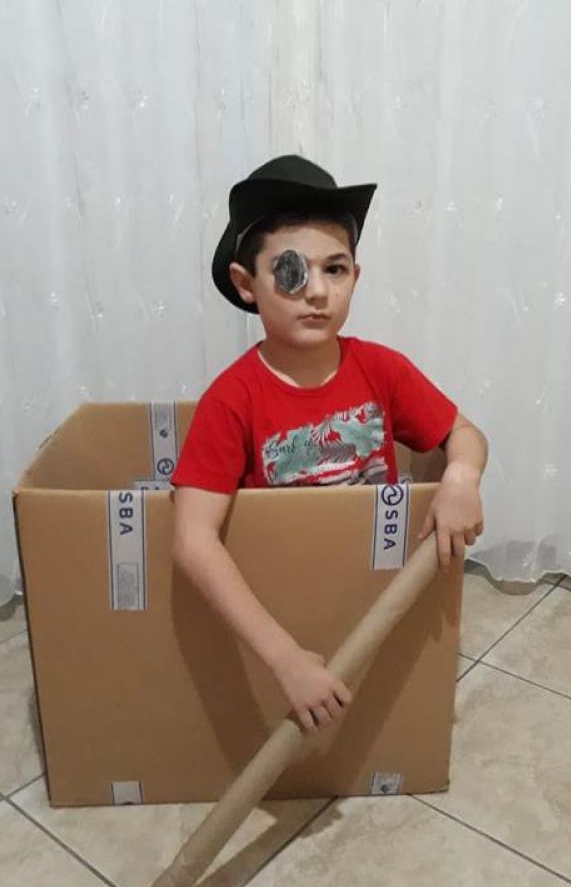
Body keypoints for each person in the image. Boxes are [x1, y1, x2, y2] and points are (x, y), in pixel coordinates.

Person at [171, 155, 488, 733]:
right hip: (283, 602)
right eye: (291, 271)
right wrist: (284, 659)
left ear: (354, 278)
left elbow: (463, 434)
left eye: (335, 270)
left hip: (371, 594)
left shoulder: (382, 371)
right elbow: (193, 538)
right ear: (246, 284)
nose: (317, 292)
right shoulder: (232, 400)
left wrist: (461, 477)